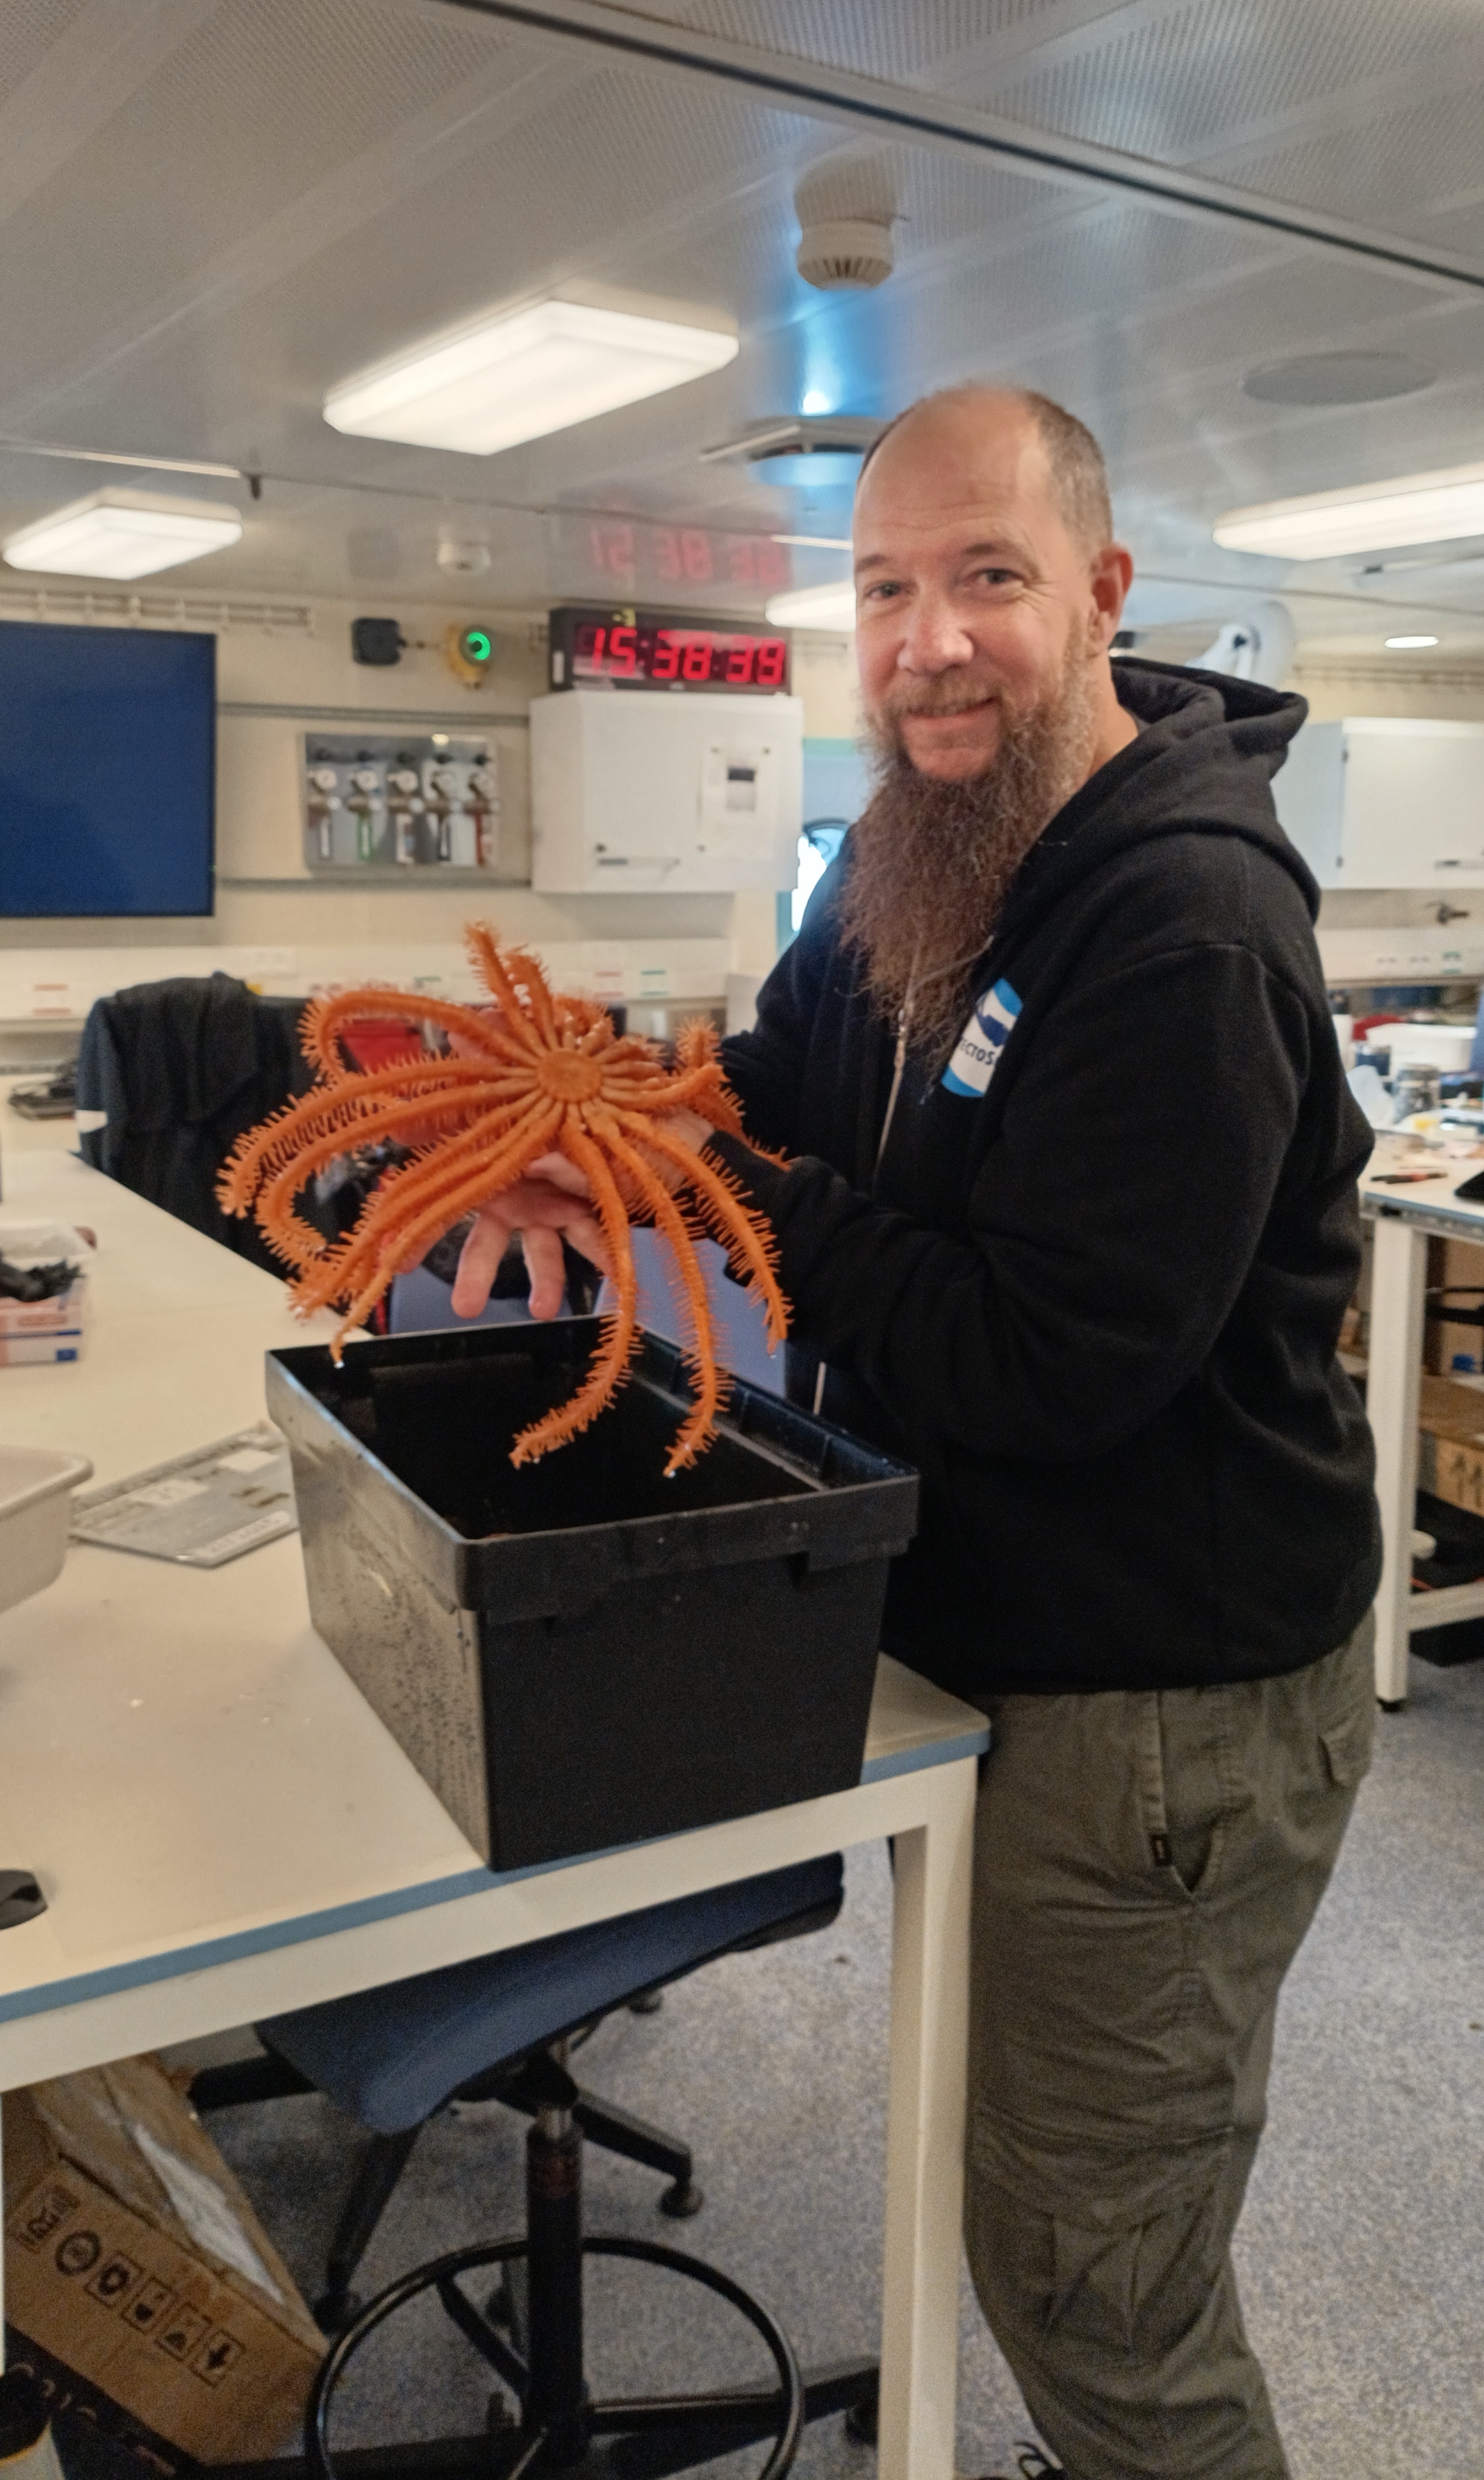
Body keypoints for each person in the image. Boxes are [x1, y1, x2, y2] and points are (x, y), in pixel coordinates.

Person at [450, 384, 1380, 2480]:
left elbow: (1042, 1363)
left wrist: (746, 1210)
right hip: (1008, 1642)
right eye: (886, 591)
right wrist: (583, 1140)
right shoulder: (916, 841)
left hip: (1169, 1702)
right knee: (1044, 2179)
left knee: (1092, 2273)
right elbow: (769, 1082)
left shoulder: (1188, 929)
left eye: (988, 580)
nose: (928, 642)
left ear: (1103, 594)